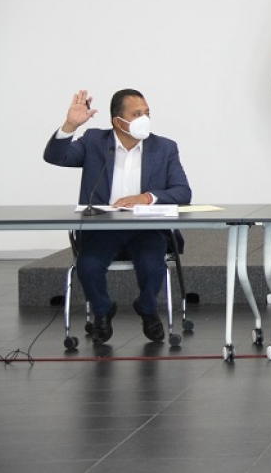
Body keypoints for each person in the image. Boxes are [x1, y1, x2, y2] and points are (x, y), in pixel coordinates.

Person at [44, 89, 192, 344]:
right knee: (88, 265)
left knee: (152, 264)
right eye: (136, 114)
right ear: (118, 120)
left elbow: (183, 192)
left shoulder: (164, 147)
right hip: (102, 228)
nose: (144, 119)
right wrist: (70, 126)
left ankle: (147, 308)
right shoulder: (94, 141)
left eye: (147, 113)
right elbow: (56, 157)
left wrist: (146, 197)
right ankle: (102, 310)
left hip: (147, 228)